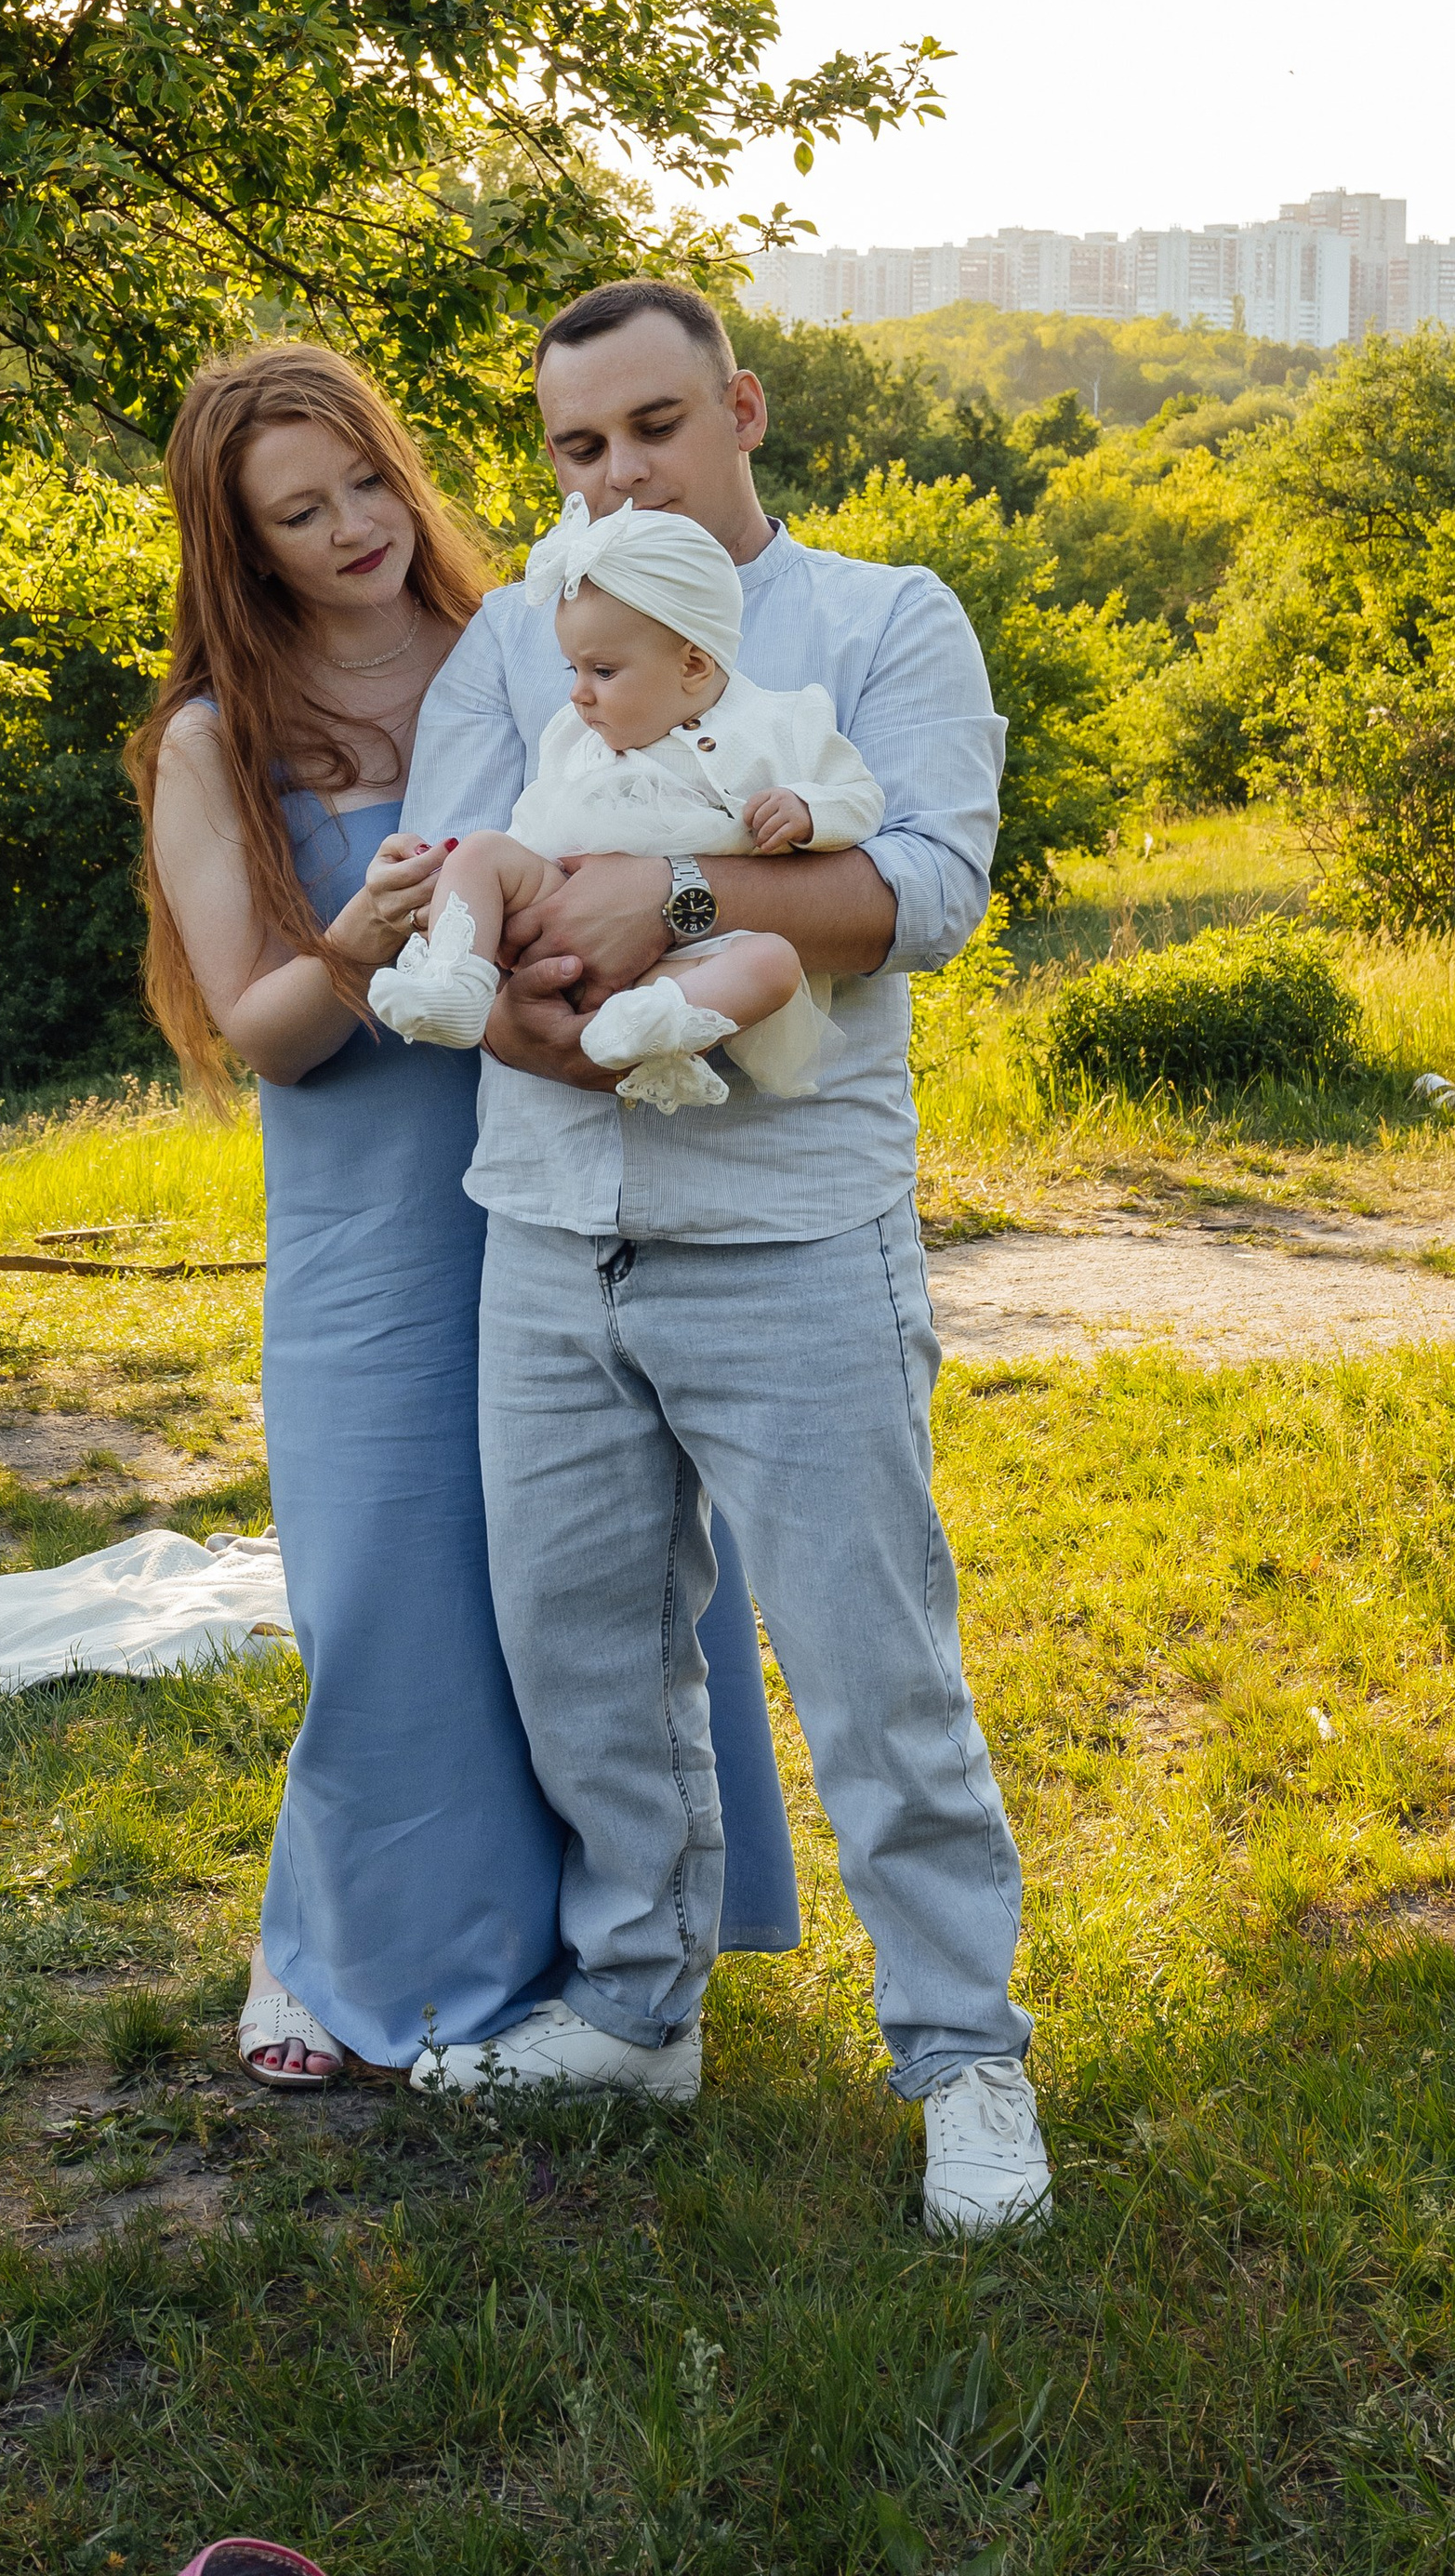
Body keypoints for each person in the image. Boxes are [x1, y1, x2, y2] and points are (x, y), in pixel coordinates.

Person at [400, 281, 1052, 2233]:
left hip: (786, 1231)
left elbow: (925, 885)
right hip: (542, 1221)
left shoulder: (875, 618)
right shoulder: (525, 635)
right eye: (577, 448)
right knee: (579, 1653)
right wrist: (525, 999)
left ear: (742, 408)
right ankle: (633, 2005)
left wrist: (673, 889)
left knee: (874, 1668)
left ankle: (962, 2055)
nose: (615, 474)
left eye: (653, 427)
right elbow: (452, 871)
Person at [127, 340, 800, 2088]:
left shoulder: (526, 640)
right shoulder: (215, 742)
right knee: (388, 1592)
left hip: (566, 1173)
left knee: (593, 1586)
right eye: (299, 510)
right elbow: (267, 1038)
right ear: (240, 542)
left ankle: (620, 1960)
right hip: (369, 1221)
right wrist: (353, 943)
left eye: (366, 481)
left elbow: (671, 817)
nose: (353, 528)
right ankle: (357, 1952)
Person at [369, 491, 881, 1109]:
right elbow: (534, 826)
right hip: (561, 907)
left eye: (603, 672)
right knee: (478, 852)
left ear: (693, 663)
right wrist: (486, 893)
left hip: (693, 953)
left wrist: (807, 811)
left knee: (772, 963)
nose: (580, 695)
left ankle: (648, 1026)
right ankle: (456, 980)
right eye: (573, 671)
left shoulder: (784, 722)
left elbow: (859, 798)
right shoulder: (575, 733)